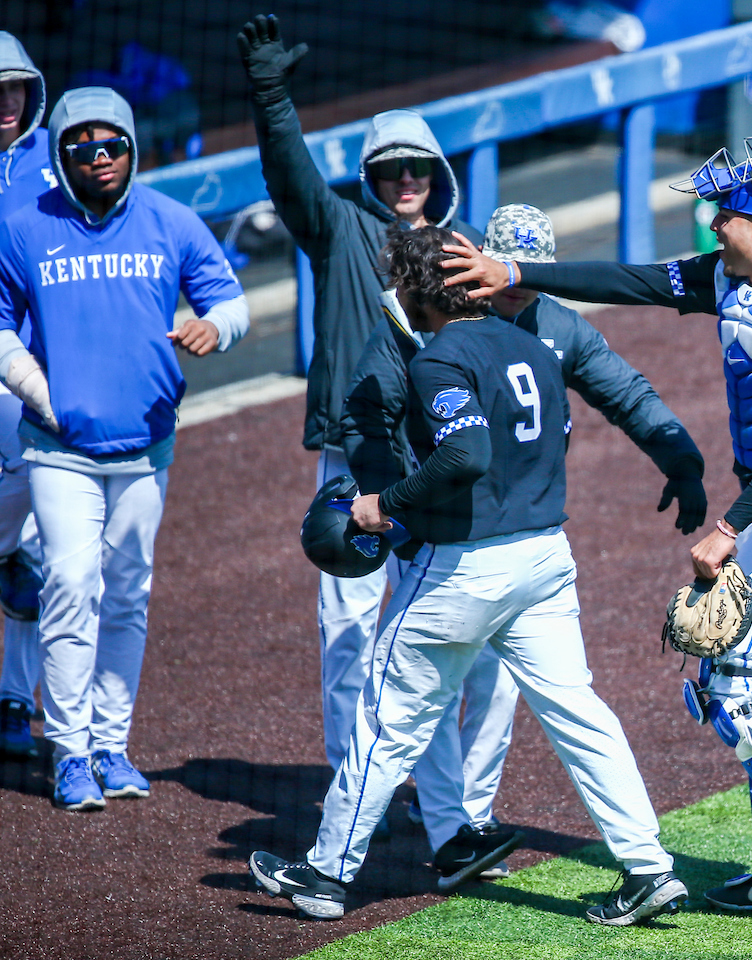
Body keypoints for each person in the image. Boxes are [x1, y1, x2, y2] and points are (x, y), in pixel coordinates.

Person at [441, 138, 752, 924]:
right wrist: (518, 274)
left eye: (726, 212)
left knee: (732, 684)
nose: (713, 223)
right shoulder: (725, 277)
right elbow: (630, 281)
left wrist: (729, 527)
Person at [249, 226, 687, 926]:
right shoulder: (534, 343)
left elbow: (467, 454)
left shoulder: (438, 359)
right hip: (546, 559)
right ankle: (648, 866)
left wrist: (382, 506)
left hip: (464, 569)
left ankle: (327, 874)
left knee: (389, 720)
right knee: (580, 714)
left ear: (422, 293)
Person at [237, 14, 485, 779]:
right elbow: (288, 176)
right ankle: (357, 779)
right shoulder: (338, 228)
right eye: (389, 171)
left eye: (417, 169)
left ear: (436, 175)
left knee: (442, 635)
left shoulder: (464, 246)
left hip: (436, 470)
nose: (404, 182)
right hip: (354, 466)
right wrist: (272, 95)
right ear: (371, 179)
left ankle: (434, 790)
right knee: (346, 627)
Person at [0, 87, 248, 810]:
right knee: (72, 586)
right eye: (82, 147)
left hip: (146, 447)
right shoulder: (23, 228)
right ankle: (70, 752)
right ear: (61, 154)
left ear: (134, 150)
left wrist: (217, 330)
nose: (100, 159)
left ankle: (113, 745)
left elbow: (228, 300)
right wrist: (40, 392)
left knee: (128, 594)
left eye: (113, 146)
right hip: (57, 446)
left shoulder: (171, 221)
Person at [0, 31, 55, 760]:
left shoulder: (56, 164)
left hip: (34, 377)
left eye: (14, 87)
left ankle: (14, 698)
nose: (5, 102)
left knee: (41, 559)